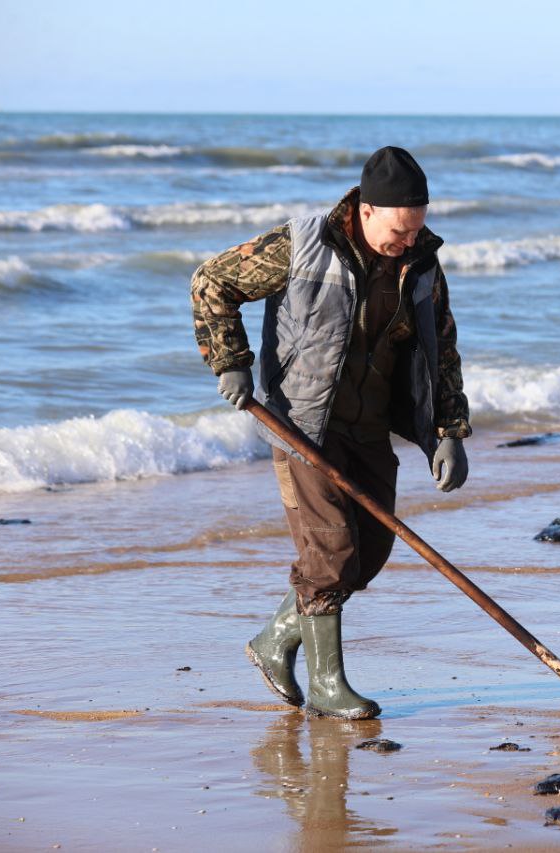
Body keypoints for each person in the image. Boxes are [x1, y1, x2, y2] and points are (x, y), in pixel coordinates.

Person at [190, 146, 471, 720]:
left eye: (417, 229)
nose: (409, 240)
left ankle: (274, 640)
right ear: (366, 211)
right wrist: (230, 361)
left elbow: (441, 348)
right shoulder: (303, 242)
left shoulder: (420, 263)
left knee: (367, 554)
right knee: (331, 553)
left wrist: (449, 430)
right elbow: (211, 281)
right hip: (302, 424)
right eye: (399, 230)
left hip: (369, 427)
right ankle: (327, 687)